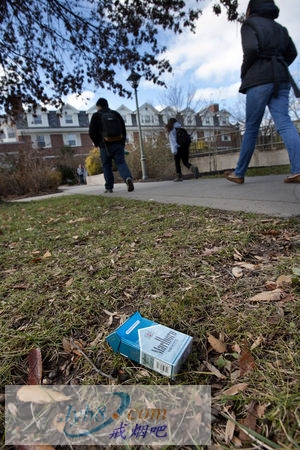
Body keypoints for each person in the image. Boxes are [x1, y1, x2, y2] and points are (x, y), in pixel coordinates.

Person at [226, 0, 300, 185]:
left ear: (252, 8)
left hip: (259, 79)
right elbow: (292, 53)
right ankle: (298, 169)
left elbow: (250, 49)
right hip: (281, 78)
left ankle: (239, 173)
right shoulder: (280, 28)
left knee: (251, 127)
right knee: (284, 121)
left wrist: (245, 71)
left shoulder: (249, 24)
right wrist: (279, 65)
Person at [89, 98, 134, 193]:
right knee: (121, 162)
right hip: (118, 143)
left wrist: (97, 143)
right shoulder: (116, 114)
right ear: (107, 105)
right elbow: (123, 128)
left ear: (98, 106)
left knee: (107, 165)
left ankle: (109, 187)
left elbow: (92, 132)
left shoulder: (96, 115)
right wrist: (122, 142)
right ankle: (127, 178)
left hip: (105, 145)